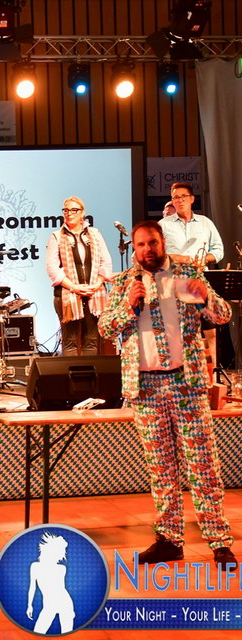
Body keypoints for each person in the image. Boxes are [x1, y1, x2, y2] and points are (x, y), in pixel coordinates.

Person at [98, 220, 236, 570]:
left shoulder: (186, 276)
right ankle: (169, 540)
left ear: (162, 242)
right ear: (134, 248)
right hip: (145, 389)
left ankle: (219, 541)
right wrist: (128, 307)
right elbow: (105, 327)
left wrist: (204, 296)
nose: (147, 250)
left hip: (186, 384)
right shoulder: (123, 283)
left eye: (152, 243)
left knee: (203, 465)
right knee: (161, 469)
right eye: (141, 245)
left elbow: (223, 315)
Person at [160, 182, 225, 366]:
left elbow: (218, 250)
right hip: (174, 282)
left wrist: (205, 258)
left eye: (183, 196)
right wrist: (177, 257)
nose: (179, 200)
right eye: (175, 197)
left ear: (191, 199)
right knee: (179, 331)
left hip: (200, 281)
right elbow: (156, 254)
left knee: (210, 329)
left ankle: (213, 373)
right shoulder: (163, 225)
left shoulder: (205, 223)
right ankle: (180, 372)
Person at [46, 196, 113, 356]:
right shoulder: (56, 236)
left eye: (74, 210)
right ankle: (71, 373)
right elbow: (52, 268)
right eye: (66, 210)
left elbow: (106, 262)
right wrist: (74, 288)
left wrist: (97, 284)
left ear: (82, 213)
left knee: (92, 341)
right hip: (67, 295)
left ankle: (89, 373)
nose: (69, 213)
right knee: (70, 343)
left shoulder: (95, 234)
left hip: (94, 294)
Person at [27, 532, 75, 634]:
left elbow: (61, 588)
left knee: (66, 633)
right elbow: (32, 587)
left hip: (64, 603)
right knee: (39, 631)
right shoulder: (35, 566)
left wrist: (30, 605)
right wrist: (29, 605)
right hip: (50, 605)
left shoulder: (61, 568)